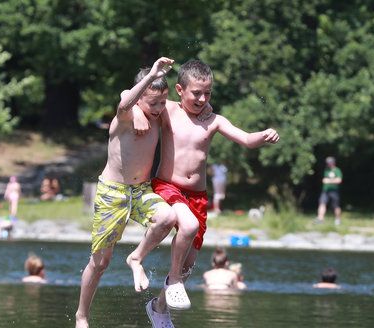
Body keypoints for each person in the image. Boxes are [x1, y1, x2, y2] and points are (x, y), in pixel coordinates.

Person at [132, 59, 279, 325]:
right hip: (168, 186)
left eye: (207, 93)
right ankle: (172, 279)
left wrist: (263, 135)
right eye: (196, 93)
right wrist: (137, 115)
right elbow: (138, 101)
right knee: (186, 228)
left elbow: (245, 139)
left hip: (197, 196)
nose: (201, 99)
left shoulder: (213, 121)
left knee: (188, 264)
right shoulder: (168, 111)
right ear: (179, 89)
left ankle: (159, 306)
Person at [74, 57, 184, 328]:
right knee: (100, 263)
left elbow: (184, 103)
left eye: (162, 102)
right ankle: (82, 315)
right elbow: (124, 101)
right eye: (153, 103)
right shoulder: (125, 117)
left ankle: (136, 257)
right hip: (113, 193)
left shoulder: (158, 115)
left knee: (168, 218)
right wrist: (141, 96)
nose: (159, 109)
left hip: (141, 190)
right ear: (140, 100)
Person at [316, 156, 343, 225]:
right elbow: (324, 180)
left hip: (334, 191)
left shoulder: (337, 170)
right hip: (325, 190)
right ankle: (320, 219)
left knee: (336, 206)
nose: (328, 164)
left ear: (333, 163)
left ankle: (338, 219)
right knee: (322, 203)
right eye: (327, 163)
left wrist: (329, 181)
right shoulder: (326, 170)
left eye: (329, 163)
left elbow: (339, 180)